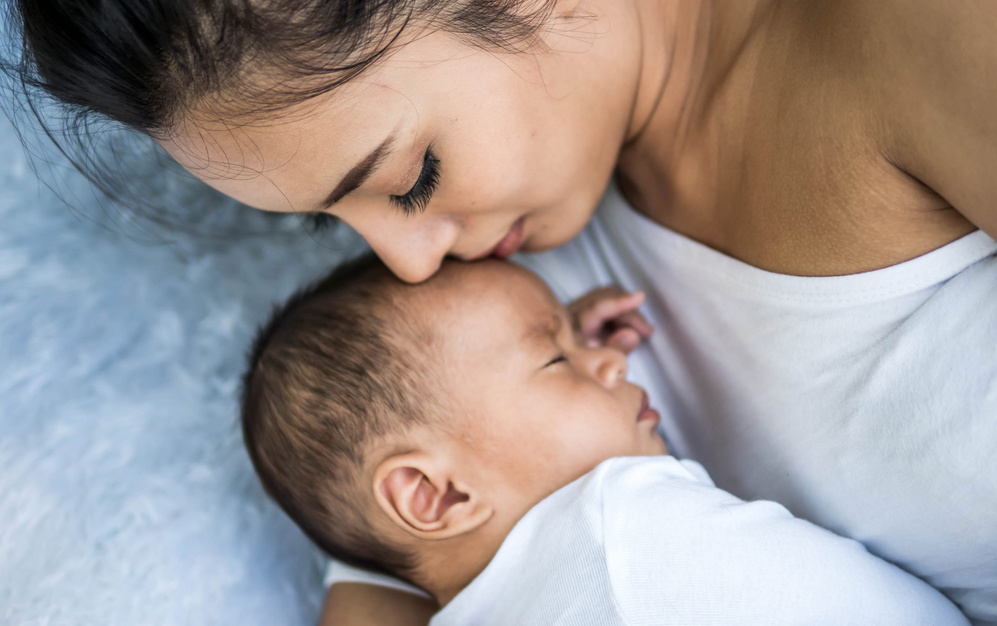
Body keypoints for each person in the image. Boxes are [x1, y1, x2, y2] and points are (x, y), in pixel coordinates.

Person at [10, 0, 997, 622]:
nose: (403, 257)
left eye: (407, 177)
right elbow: (394, 580)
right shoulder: (461, 321)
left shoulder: (926, 35)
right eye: (327, 219)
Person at [242, 255, 968, 625]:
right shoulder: (617, 525)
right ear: (435, 494)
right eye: (557, 356)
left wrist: (553, 362)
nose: (611, 359)